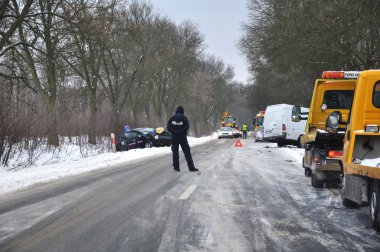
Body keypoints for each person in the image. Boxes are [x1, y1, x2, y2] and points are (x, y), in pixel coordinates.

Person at [167, 106, 198, 172]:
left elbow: (168, 128)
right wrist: (181, 132)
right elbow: (187, 127)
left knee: (175, 153)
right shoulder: (184, 118)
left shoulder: (171, 119)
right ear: (182, 112)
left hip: (174, 137)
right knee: (187, 152)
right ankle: (191, 167)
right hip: (182, 138)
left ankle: (176, 168)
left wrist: (174, 132)